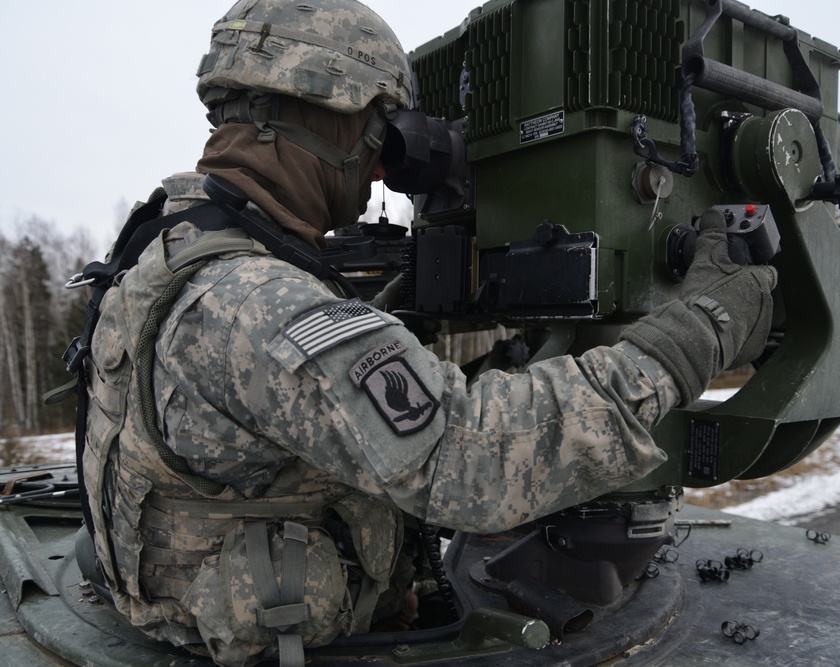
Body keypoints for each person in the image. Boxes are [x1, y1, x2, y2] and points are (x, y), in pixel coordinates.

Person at [78, 0, 777, 665]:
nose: (384, 160)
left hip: (192, 595)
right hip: (263, 635)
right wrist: (697, 331)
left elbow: (297, 387)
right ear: (320, 111)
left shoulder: (172, 241)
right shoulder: (254, 301)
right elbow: (469, 460)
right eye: (379, 125)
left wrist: (399, 307)